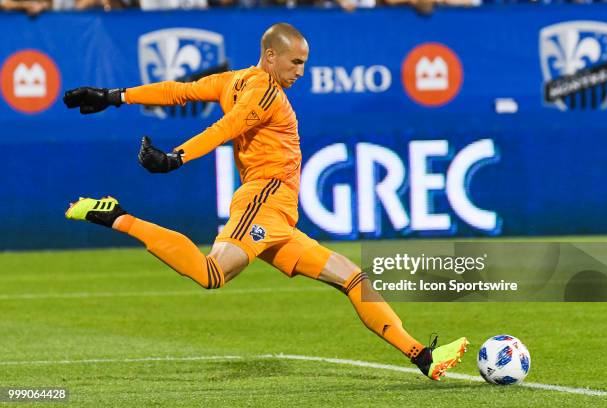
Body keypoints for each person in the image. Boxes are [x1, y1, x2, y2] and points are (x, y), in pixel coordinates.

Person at [63, 22, 467, 381]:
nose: (301, 72)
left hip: (278, 216)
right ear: (271, 56)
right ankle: (116, 216)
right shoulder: (266, 95)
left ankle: (423, 357)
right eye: (295, 62)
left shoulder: (234, 81)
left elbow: (179, 91)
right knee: (211, 274)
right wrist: (175, 157)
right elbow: (226, 126)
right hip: (264, 198)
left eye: (304, 63)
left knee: (351, 276)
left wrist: (115, 96)